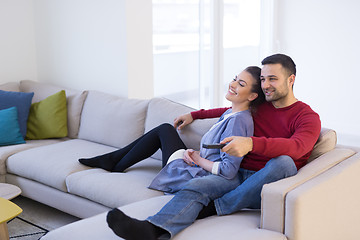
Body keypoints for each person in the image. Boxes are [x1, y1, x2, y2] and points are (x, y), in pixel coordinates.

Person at [105, 53, 321, 240]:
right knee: (199, 186)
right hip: (237, 173)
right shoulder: (262, 103)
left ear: (291, 79)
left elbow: (297, 147)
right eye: (263, 79)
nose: (265, 85)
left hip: (263, 182)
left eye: (272, 79)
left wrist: (251, 143)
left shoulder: (307, 117)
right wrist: (194, 114)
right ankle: (152, 229)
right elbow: (229, 110)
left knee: (284, 162)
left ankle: (219, 206)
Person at [79, 66, 264, 194]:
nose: (232, 84)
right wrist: (196, 149)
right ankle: (114, 162)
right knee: (164, 130)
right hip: (195, 164)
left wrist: (198, 159)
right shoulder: (231, 113)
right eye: (234, 79)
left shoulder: (239, 122)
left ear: (253, 95)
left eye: (241, 84)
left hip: (195, 175)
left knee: (164, 130)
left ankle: (114, 162)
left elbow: (228, 170)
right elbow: (216, 149)